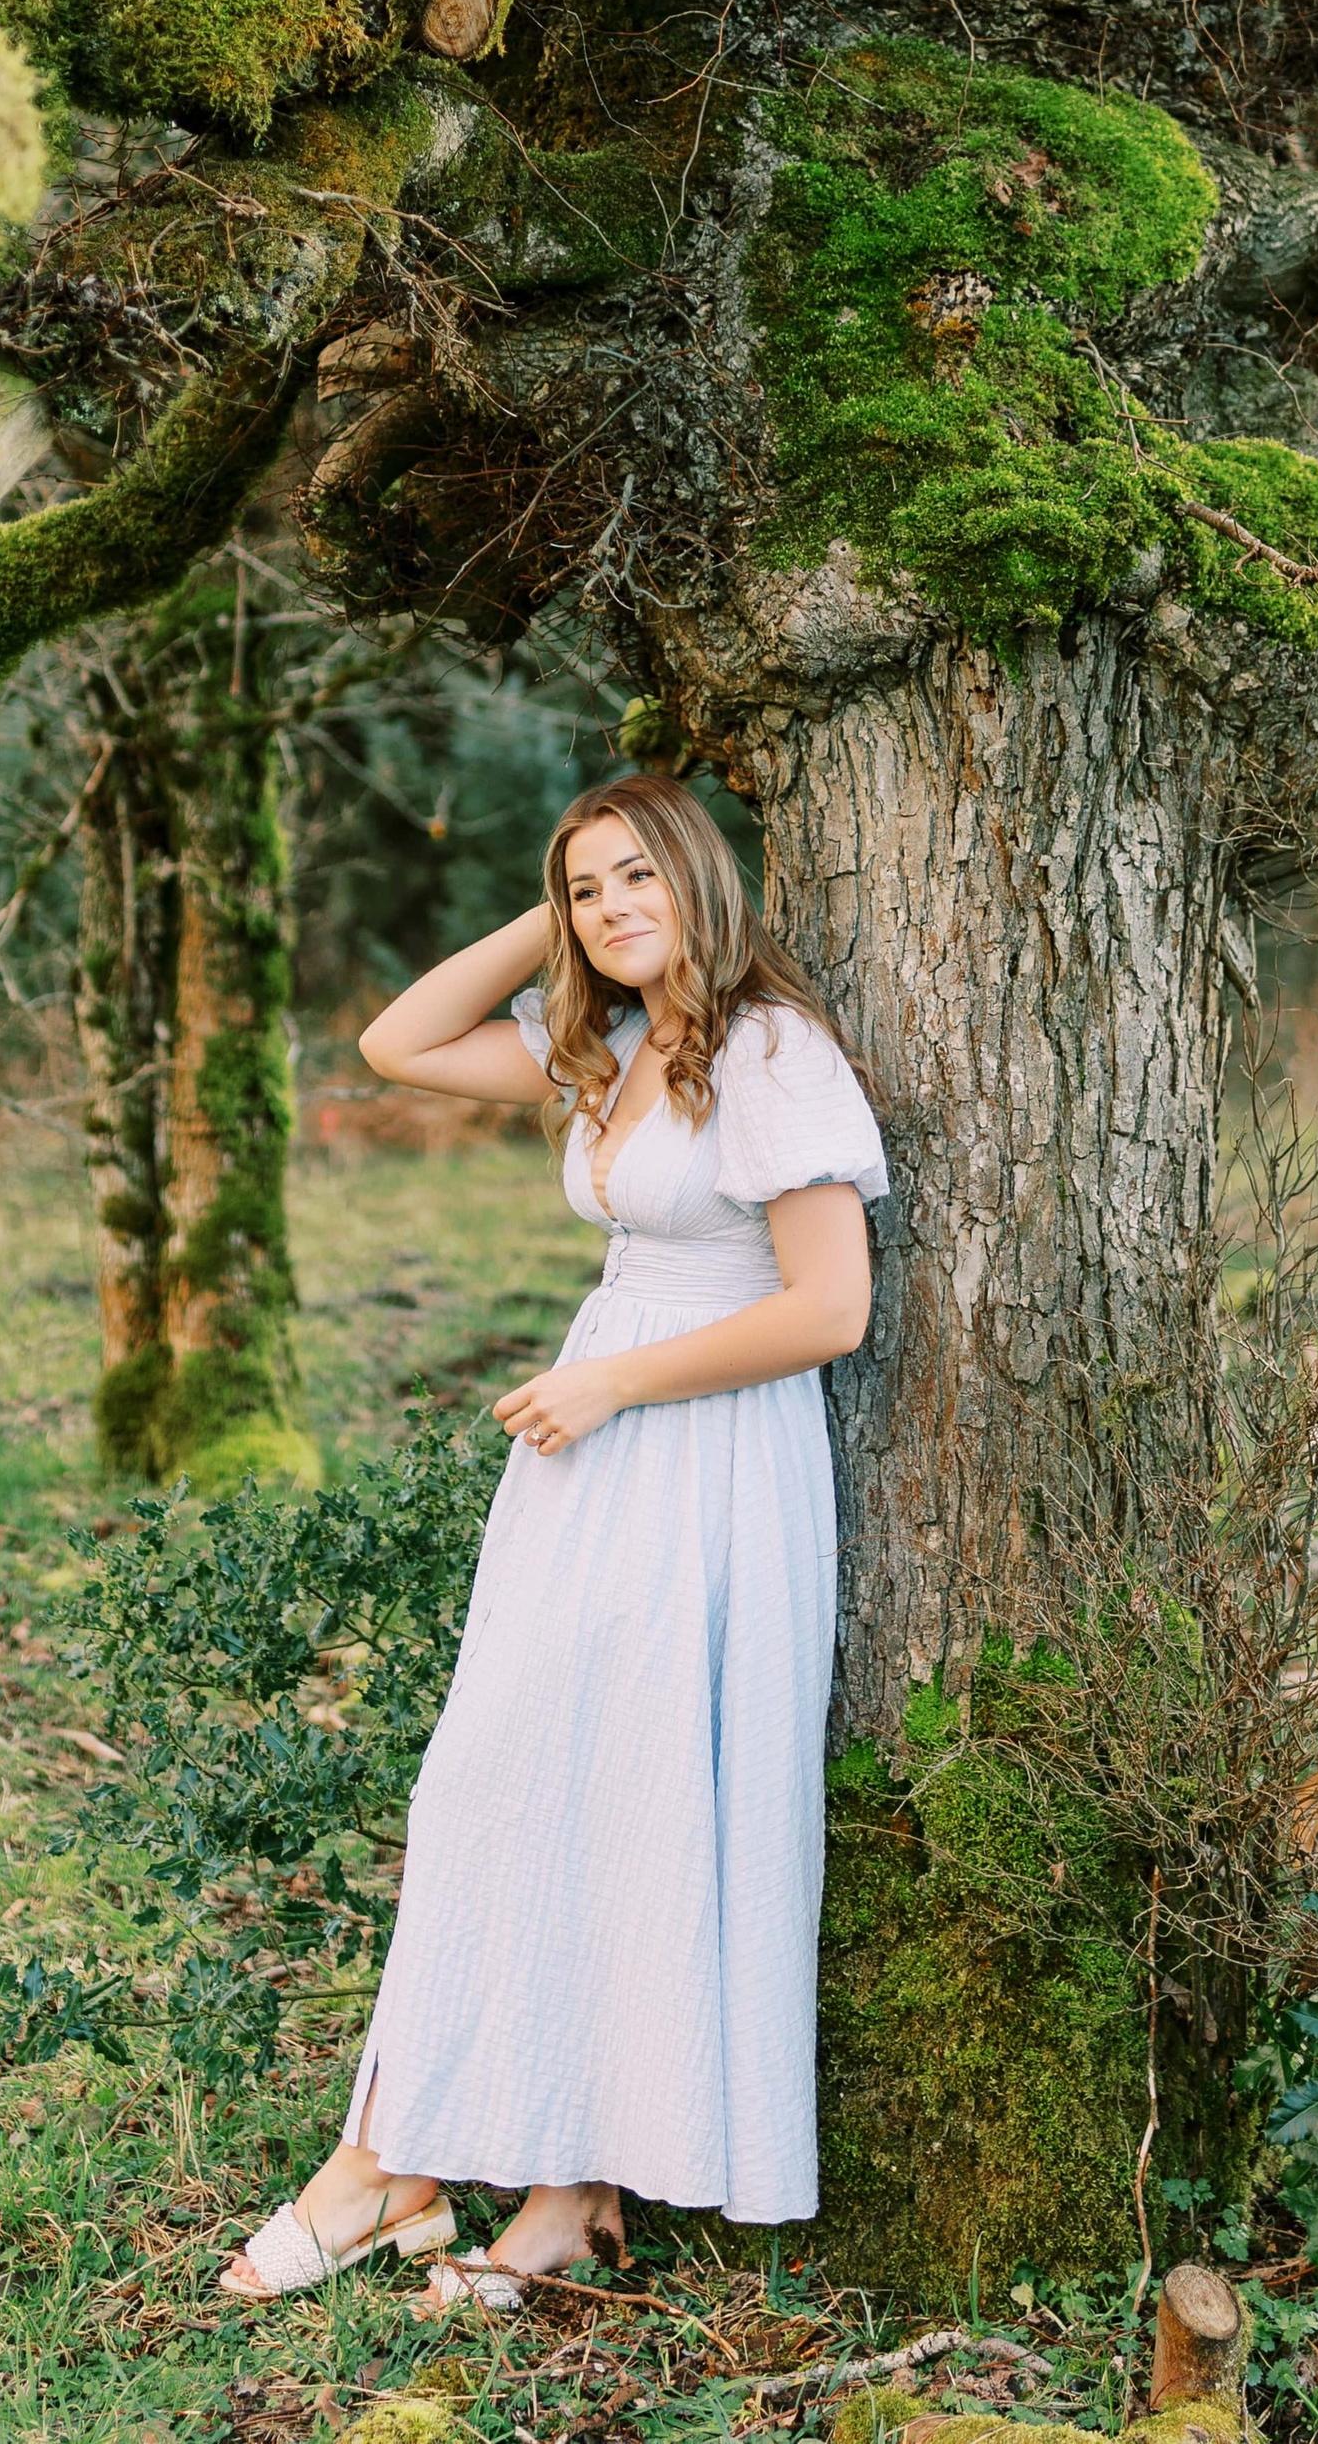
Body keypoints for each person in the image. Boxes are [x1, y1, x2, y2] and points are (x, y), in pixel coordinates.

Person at [221, 771, 886, 2308]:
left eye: (643, 877)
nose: (612, 908)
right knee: (508, 1781)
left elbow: (827, 1310)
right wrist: (564, 917)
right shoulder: (613, 1048)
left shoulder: (769, 1053)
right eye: (591, 888)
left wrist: (612, 1381)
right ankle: (422, 2169)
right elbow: (395, 1042)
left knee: (648, 1795)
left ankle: (535, 2190)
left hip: (705, 1452)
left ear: (706, 882)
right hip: (594, 1457)